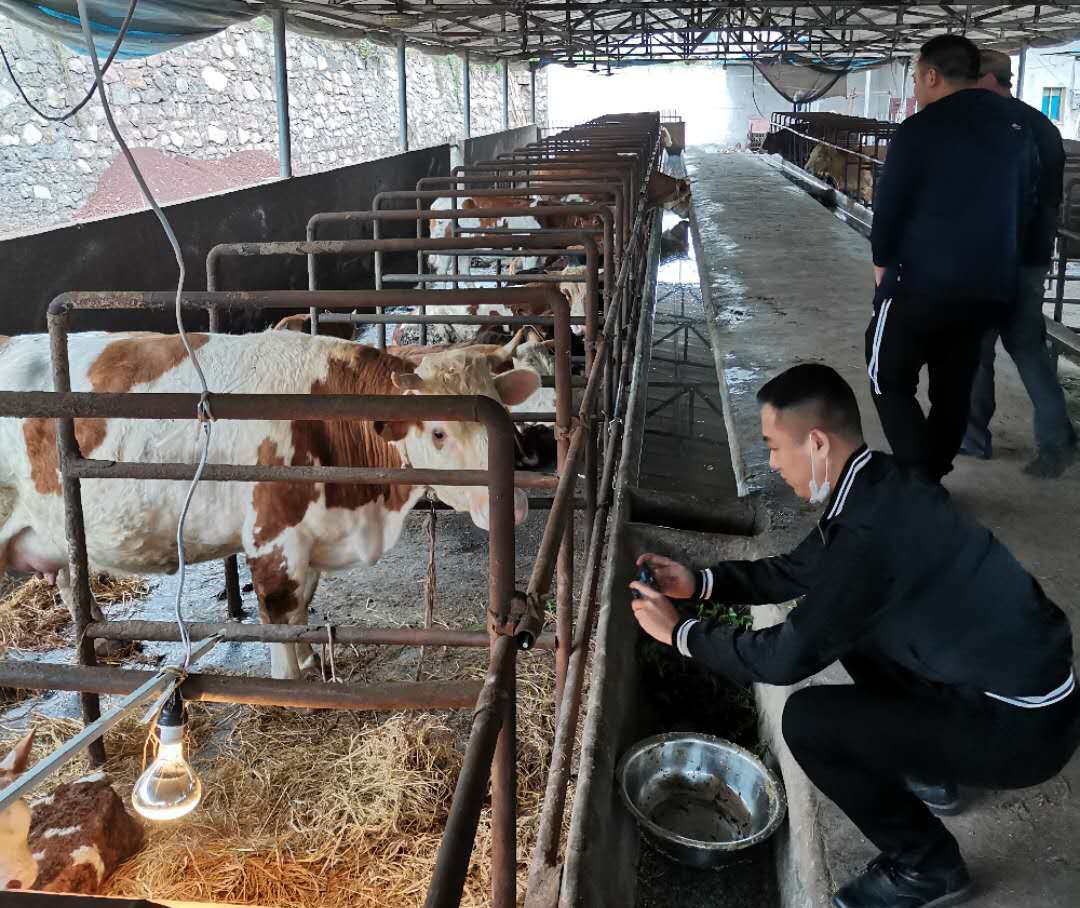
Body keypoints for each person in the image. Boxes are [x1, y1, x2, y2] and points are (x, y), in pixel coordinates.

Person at [629, 364, 1079, 908]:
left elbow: (783, 659)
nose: (772, 463)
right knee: (851, 628)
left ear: (816, 442)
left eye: (774, 447)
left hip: (1022, 729)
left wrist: (681, 635)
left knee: (810, 723)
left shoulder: (868, 536)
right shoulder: (880, 483)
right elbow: (799, 570)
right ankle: (931, 768)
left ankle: (926, 867)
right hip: (1020, 687)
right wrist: (700, 582)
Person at [869, 35, 1038, 482]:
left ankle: (918, 477)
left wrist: (882, 261)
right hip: (987, 285)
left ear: (931, 75)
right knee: (954, 387)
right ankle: (934, 469)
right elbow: (1027, 201)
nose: (916, 88)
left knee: (886, 375)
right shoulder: (1017, 128)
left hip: (921, 282)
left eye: (915, 76)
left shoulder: (921, 127)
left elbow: (890, 205)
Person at [960, 49, 1077, 477]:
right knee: (1028, 348)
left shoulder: (990, 125)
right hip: (1032, 258)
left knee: (977, 349)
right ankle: (1058, 442)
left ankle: (973, 440)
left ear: (986, 78)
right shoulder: (1043, 126)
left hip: (993, 258)